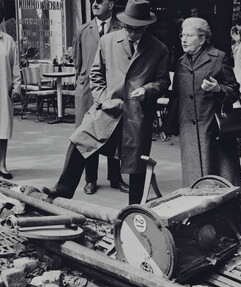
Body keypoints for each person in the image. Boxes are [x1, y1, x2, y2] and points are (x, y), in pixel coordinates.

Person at [42, 0, 170, 205]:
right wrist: (103, 99)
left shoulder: (159, 49)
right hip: (107, 110)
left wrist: (147, 90)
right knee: (80, 139)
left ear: (146, 27)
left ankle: (134, 209)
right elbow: (95, 75)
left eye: (137, 30)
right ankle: (63, 189)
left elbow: (163, 81)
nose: (131, 33)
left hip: (136, 114)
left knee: (136, 163)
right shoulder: (108, 41)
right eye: (128, 28)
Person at [163, 17, 241, 188]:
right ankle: (198, 212)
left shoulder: (219, 58)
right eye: (182, 35)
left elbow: (234, 91)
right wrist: (169, 126)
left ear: (203, 38)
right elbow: (176, 96)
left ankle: (224, 212)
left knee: (220, 175)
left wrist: (218, 89)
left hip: (214, 129)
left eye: (189, 35)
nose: (183, 39)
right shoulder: (181, 62)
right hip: (188, 131)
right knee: (194, 177)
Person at [72, 0, 128, 195]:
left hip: (114, 89)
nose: (95, 4)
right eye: (92, 1)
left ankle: (115, 177)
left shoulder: (122, 28)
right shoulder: (83, 30)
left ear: (111, 4)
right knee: (89, 133)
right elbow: (77, 61)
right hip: (87, 90)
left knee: (115, 132)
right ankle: (90, 179)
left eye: (100, 1)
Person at [0, 30, 21, 179]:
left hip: (3, 90)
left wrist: (16, 87)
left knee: (3, 128)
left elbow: (15, 66)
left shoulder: (8, 40)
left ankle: (2, 165)